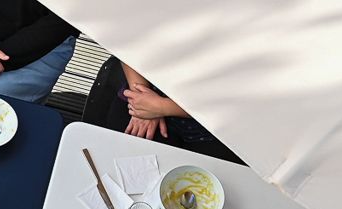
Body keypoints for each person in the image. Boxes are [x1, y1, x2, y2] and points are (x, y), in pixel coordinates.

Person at [83, 56, 241, 164]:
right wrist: (141, 99)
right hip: (141, 91)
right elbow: (127, 40)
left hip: (214, 126)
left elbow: (235, 99)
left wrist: (158, 107)